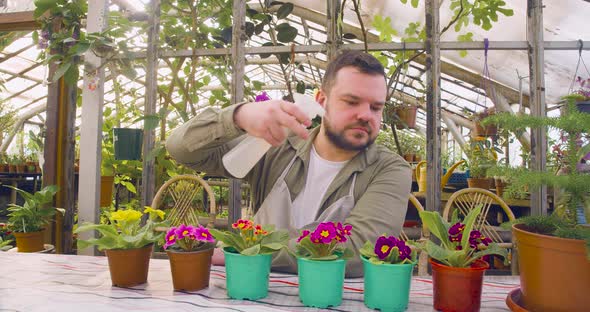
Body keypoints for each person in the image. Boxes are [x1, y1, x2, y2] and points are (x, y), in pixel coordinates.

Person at [166, 50, 411, 277]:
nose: (366, 115)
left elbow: (359, 249)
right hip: (253, 291)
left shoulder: (389, 169)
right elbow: (182, 150)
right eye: (351, 101)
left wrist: (245, 253)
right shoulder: (274, 146)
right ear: (321, 100)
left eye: (376, 107)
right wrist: (238, 116)